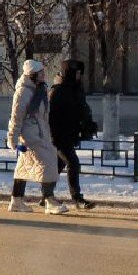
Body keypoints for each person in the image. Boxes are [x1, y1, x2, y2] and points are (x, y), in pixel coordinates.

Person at [7, 59, 68, 215]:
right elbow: (16, 117)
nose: (43, 75)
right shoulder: (23, 92)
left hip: (40, 133)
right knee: (49, 162)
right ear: (33, 74)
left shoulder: (39, 89)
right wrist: (12, 139)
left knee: (23, 167)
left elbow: (43, 116)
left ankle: (16, 200)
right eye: (40, 73)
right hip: (30, 135)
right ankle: (49, 201)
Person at [49, 59, 96, 211]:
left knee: (58, 165)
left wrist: (88, 125)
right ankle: (77, 198)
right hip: (59, 136)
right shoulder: (58, 90)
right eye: (77, 73)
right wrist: (53, 138)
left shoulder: (76, 88)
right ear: (69, 73)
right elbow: (50, 117)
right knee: (72, 162)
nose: (80, 76)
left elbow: (82, 109)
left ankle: (47, 196)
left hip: (70, 135)